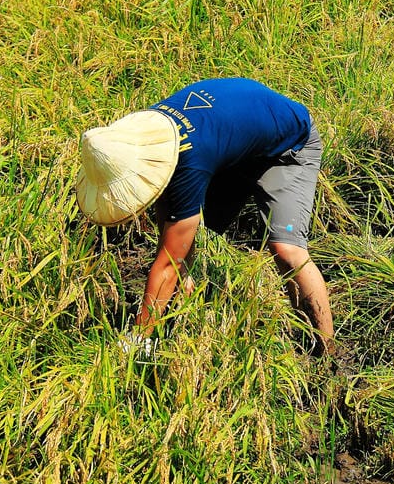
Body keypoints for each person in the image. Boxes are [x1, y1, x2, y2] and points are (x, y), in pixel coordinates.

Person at [74, 78, 334, 356]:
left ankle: (326, 352)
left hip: (288, 144)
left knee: (286, 249)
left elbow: (167, 264)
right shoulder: (146, 134)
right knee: (193, 230)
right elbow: (163, 194)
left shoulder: (190, 161)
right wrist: (182, 270)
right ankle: (176, 312)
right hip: (239, 136)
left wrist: (136, 339)